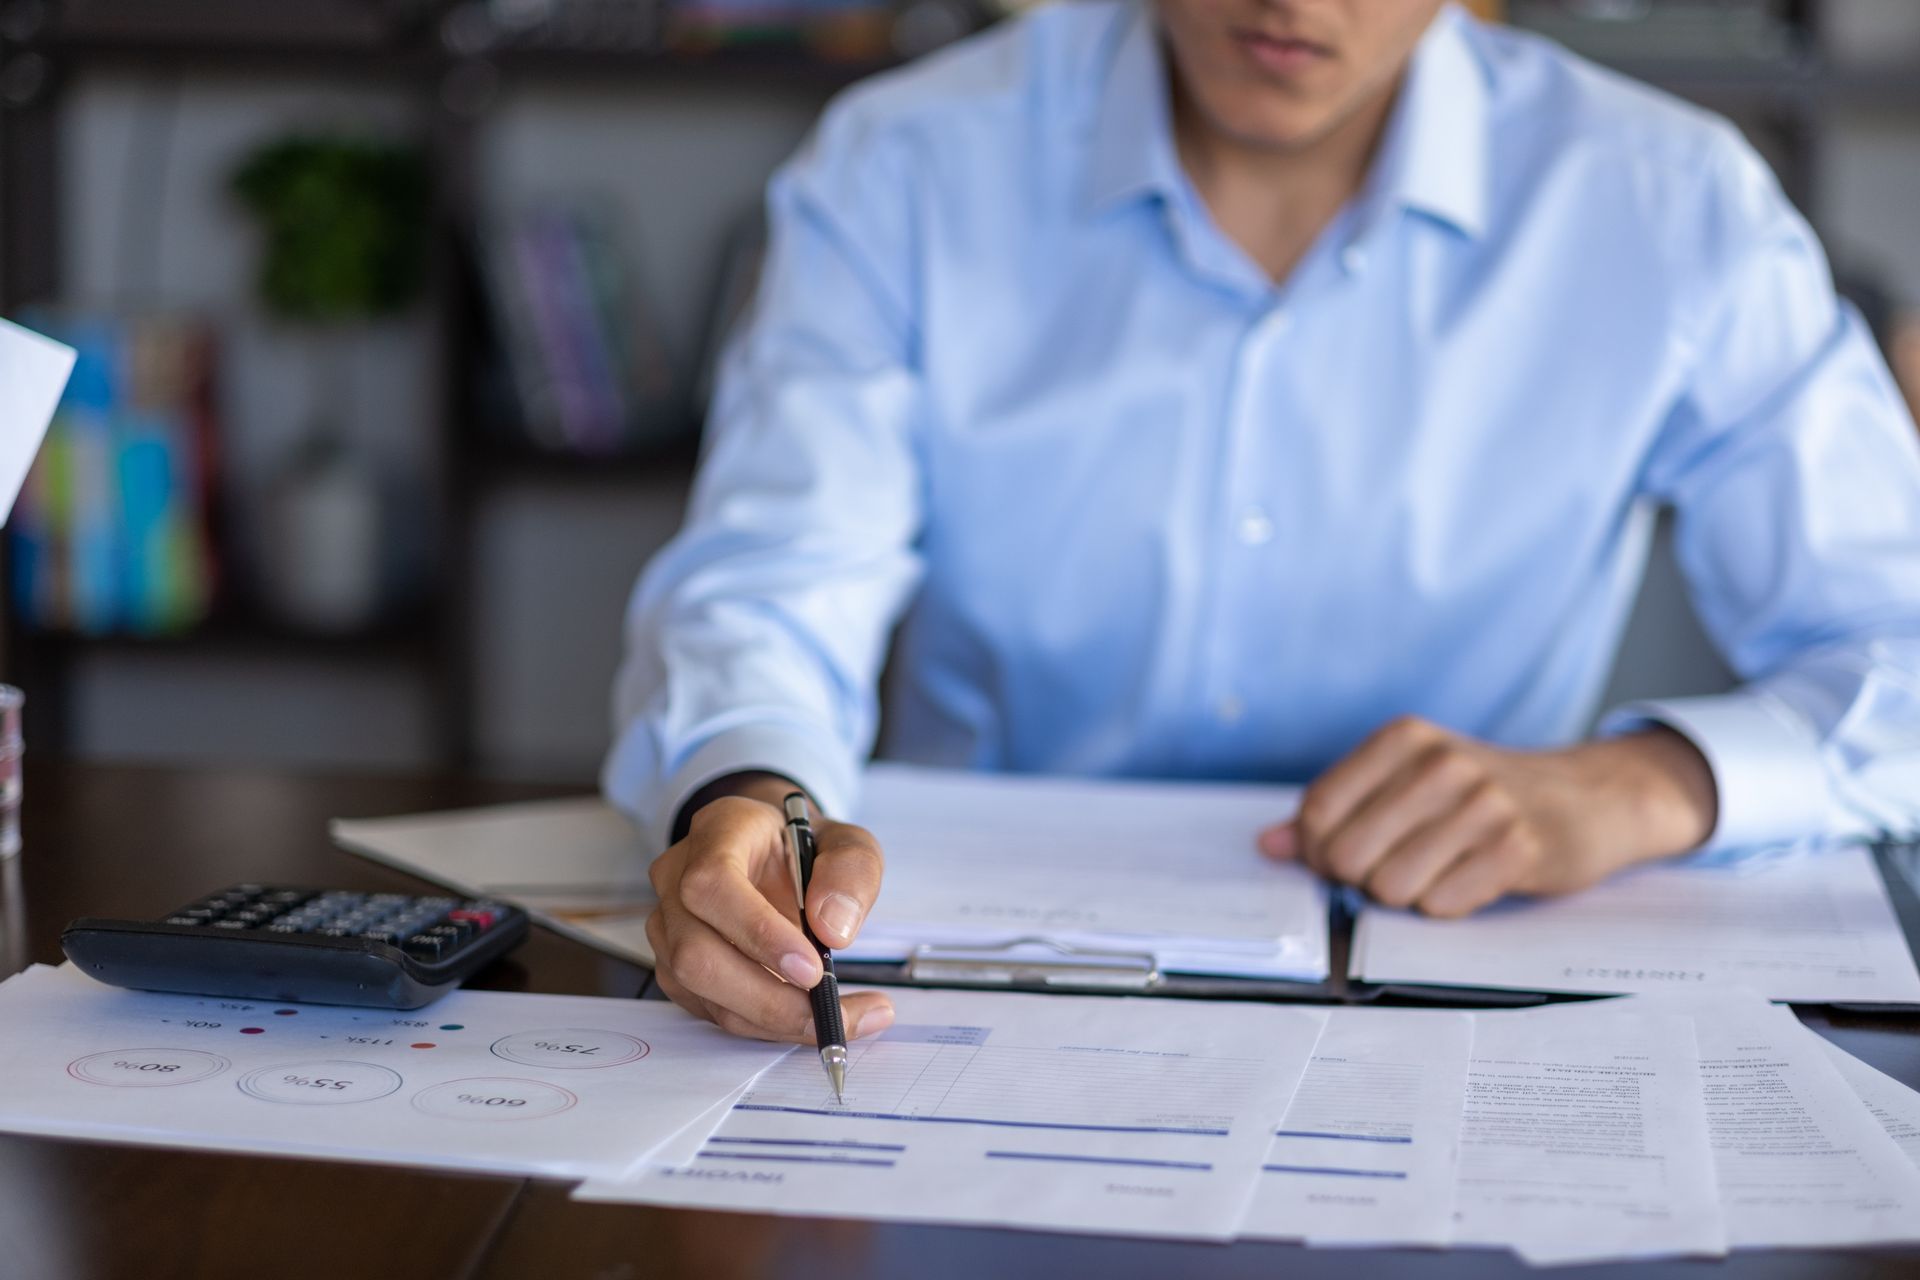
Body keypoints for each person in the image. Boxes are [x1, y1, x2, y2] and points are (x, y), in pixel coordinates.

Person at [604, 0, 1920, 1043]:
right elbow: (776, 582)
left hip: (1465, 996)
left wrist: (1650, 784)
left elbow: (1898, 644)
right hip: (966, 989)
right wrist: (750, 797)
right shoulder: (907, 160)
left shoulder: (1674, 205)